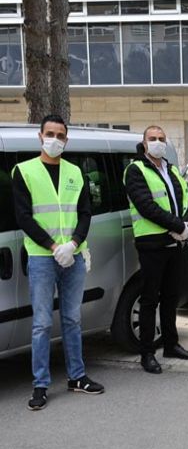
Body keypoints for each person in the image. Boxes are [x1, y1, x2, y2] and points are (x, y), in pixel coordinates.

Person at [12, 114, 104, 410]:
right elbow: (23, 217)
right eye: (50, 133)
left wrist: (74, 244)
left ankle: (77, 376)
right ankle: (40, 384)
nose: (55, 139)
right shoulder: (23, 171)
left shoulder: (76, 172)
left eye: (60, 135)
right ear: (40, 136)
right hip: (42, 257)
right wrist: (54, 247)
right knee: (40, 323)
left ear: (66, 139)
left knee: (72, 318)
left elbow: (86, 212)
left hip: (73, 255)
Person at [124, 125, 188, 374]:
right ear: (144, 143)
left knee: (170, 297)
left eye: (161, 139)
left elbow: (186, 199)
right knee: (149, 299)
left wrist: (186, 223)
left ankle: (171, 344)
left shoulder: (172, 170)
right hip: (152, 244)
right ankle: (147, 353)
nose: (157, 142)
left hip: (176, 242)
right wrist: (177, 226)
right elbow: (146, 206)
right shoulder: (135, 170)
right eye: (152, 138)